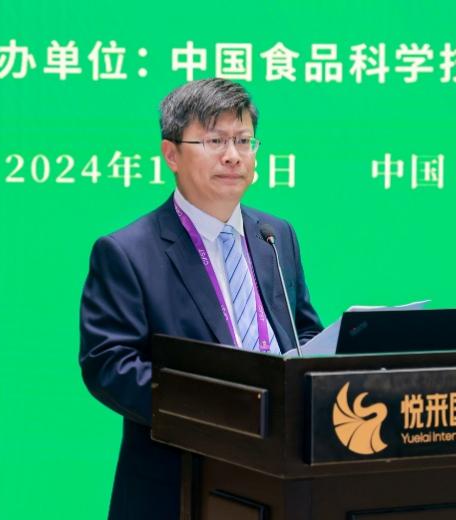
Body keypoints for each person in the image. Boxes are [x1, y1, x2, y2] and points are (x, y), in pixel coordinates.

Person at [79, 78, 323, 519]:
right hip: (179, 484)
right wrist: (219, 409)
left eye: (243, 140)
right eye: (214, 141)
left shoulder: (275, 235)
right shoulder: (127, 251)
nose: (233, 155)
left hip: (281, 479)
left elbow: (301, 327)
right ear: (171, 154)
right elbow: (110, 364)